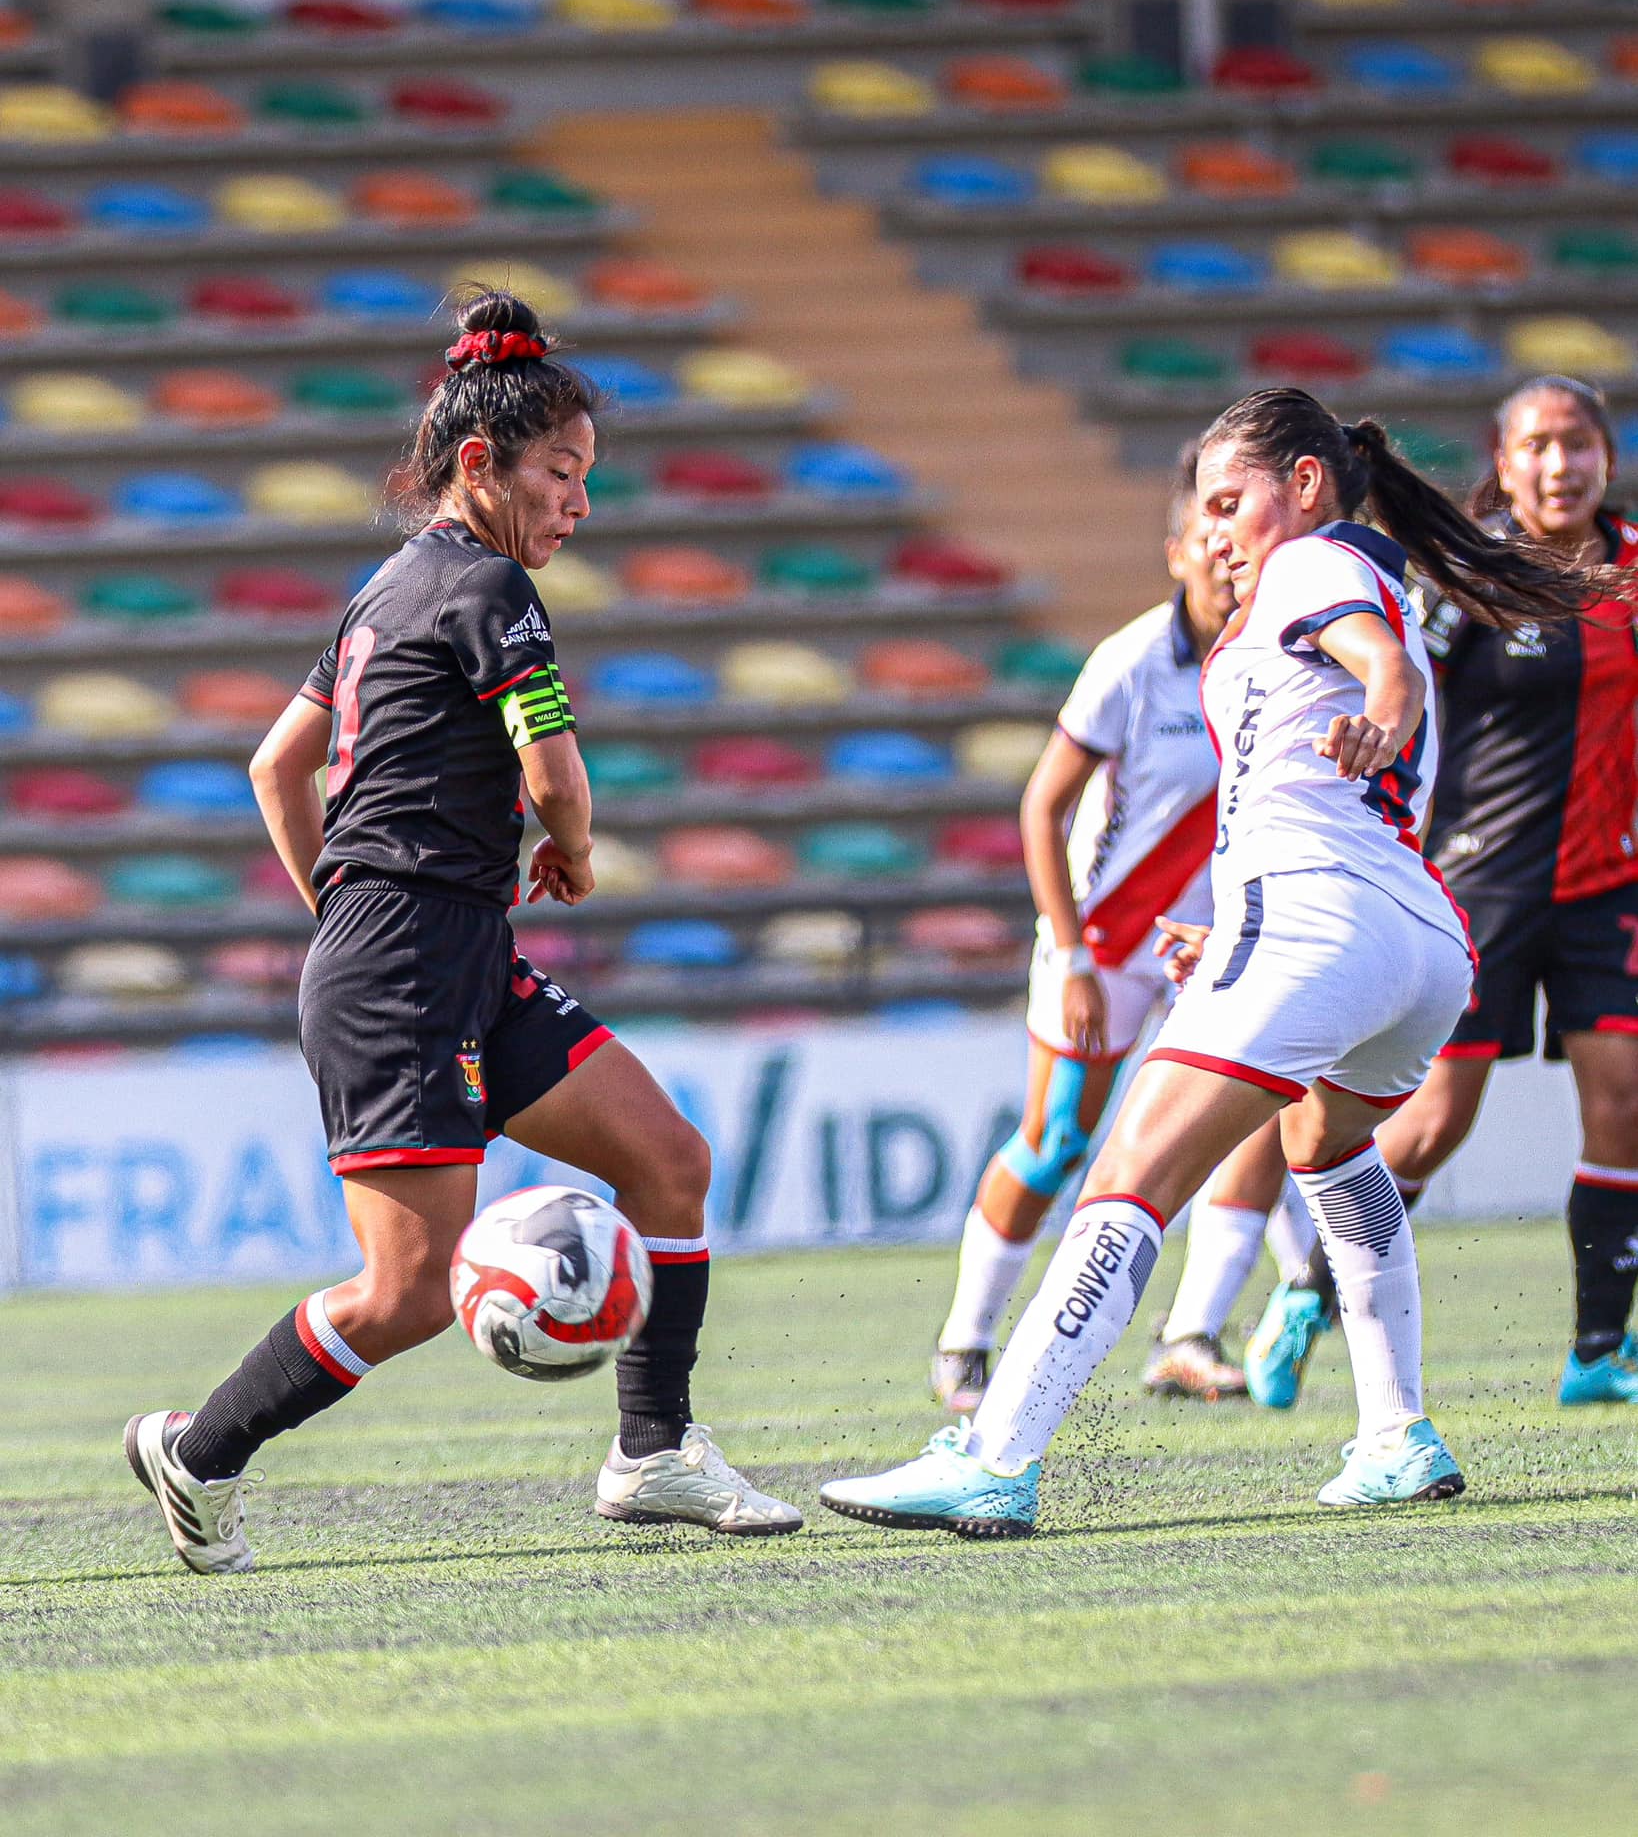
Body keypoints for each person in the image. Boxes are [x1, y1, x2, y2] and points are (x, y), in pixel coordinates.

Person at [821, 385, 1627, 1536]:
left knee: (1129, 1173)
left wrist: (1380, 716)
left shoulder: (1310, 564)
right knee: (1327, 1146)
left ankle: (996, 1451)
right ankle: (1396, 1432)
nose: (1213, 530)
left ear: (1303, 484)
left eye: (1229, 500)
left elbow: (1384, 673)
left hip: (1325, 918)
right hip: (1414, 939)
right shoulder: (1360, 572)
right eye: (1202, 509)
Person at [125, 290, 802, 1573]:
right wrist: (572, 853)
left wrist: (349, 900)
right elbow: (554, 770)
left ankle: (653, 1451)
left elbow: (279, 766)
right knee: (409, 1293)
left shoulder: (386, 588)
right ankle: (199, 1449)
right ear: (480, 464)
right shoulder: (489, 586)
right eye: (562, 474)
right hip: (408, 960)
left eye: (586, 477)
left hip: (444, 946)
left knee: (668, 1156)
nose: (580, 505)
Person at [1249, 376, 1638, 1411]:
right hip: (1482, 885)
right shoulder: (1467, 573)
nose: (1561, 464)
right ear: (1504, 466)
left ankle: (1599, 1350)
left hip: (1610, 884)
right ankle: (1308, 1288)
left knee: (1624, 1101)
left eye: (1578, 443)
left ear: (1607, 456)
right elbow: (1395, 690)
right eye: (1539, 446)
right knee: (1427, 1127)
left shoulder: (1633, 568)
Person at [931, 463, 1301, 1413]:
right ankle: (965, 1340)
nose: (1226, 563)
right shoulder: (1133, 662)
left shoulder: (1282, 657)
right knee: (1058, 1143)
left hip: (1209, 946)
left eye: (1238, 544)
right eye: (1204, 545)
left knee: (1252, 1126)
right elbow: (1041, 807)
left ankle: (1189, 1334)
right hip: (1102, 945)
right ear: (1176, 553)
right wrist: (1076, 953)